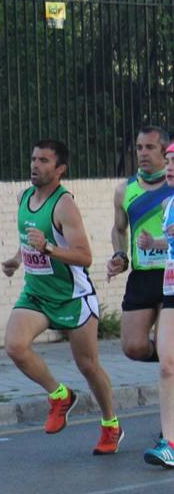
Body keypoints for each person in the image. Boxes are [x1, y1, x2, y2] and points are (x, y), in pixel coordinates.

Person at [2, 140, 122, 455]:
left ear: (60, 170)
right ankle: (59, 395)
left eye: (44, 160)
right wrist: (17, 259)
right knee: (15, 346)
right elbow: (30, 239)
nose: (35, 165)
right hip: (37, 294)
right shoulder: (24, 197)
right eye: (33, 158)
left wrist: (49, 249)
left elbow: (85, 256)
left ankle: (110, 424)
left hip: (72, 296)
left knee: (88, 365)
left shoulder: (64, 204)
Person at [105, 126, 172, 363]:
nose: (142, 153)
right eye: (139, 147)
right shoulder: (125, 190)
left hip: (171, 274)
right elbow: (119, 229)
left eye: (150, 147)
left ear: (165, 152)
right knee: (133, 347)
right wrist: (120, 255)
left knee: (167, 347)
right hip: (142, 276)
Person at [145, 141, 174, 468]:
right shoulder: (169, 203)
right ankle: (169, 442)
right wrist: (155, 242)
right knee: (167, 365)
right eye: (167, 161)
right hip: (170, 290)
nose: (169, 167)